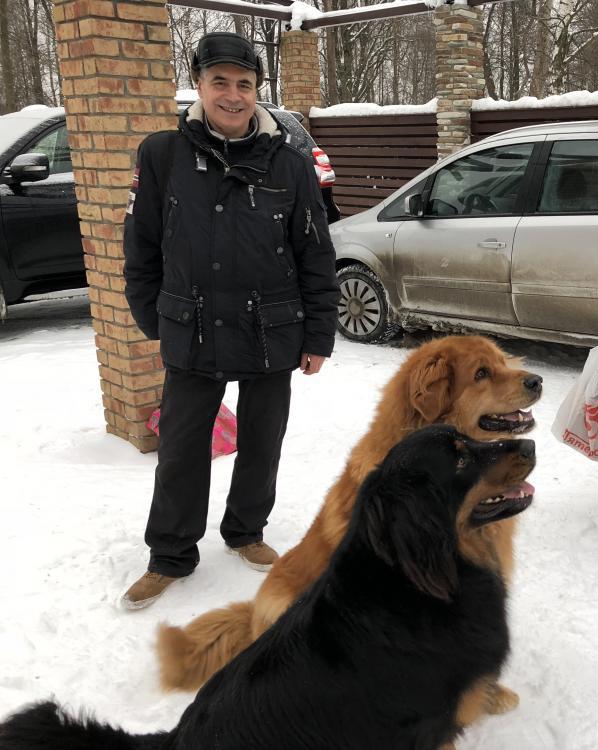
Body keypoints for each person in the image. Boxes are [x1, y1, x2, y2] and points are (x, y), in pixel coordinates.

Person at [120, 32, 339, 609]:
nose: (233, 94)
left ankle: (246, 531)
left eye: (244, 84)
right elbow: (141, 249)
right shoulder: (162, 155)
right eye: (220, 81)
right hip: (190, 328)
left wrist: (319, 334)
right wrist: (156, 320)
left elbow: (315, 253)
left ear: (257, 92)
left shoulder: (290, 164)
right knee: (182, 448)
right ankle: (170, 554)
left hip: (272, 328)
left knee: (263, 441)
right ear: (198, 85)